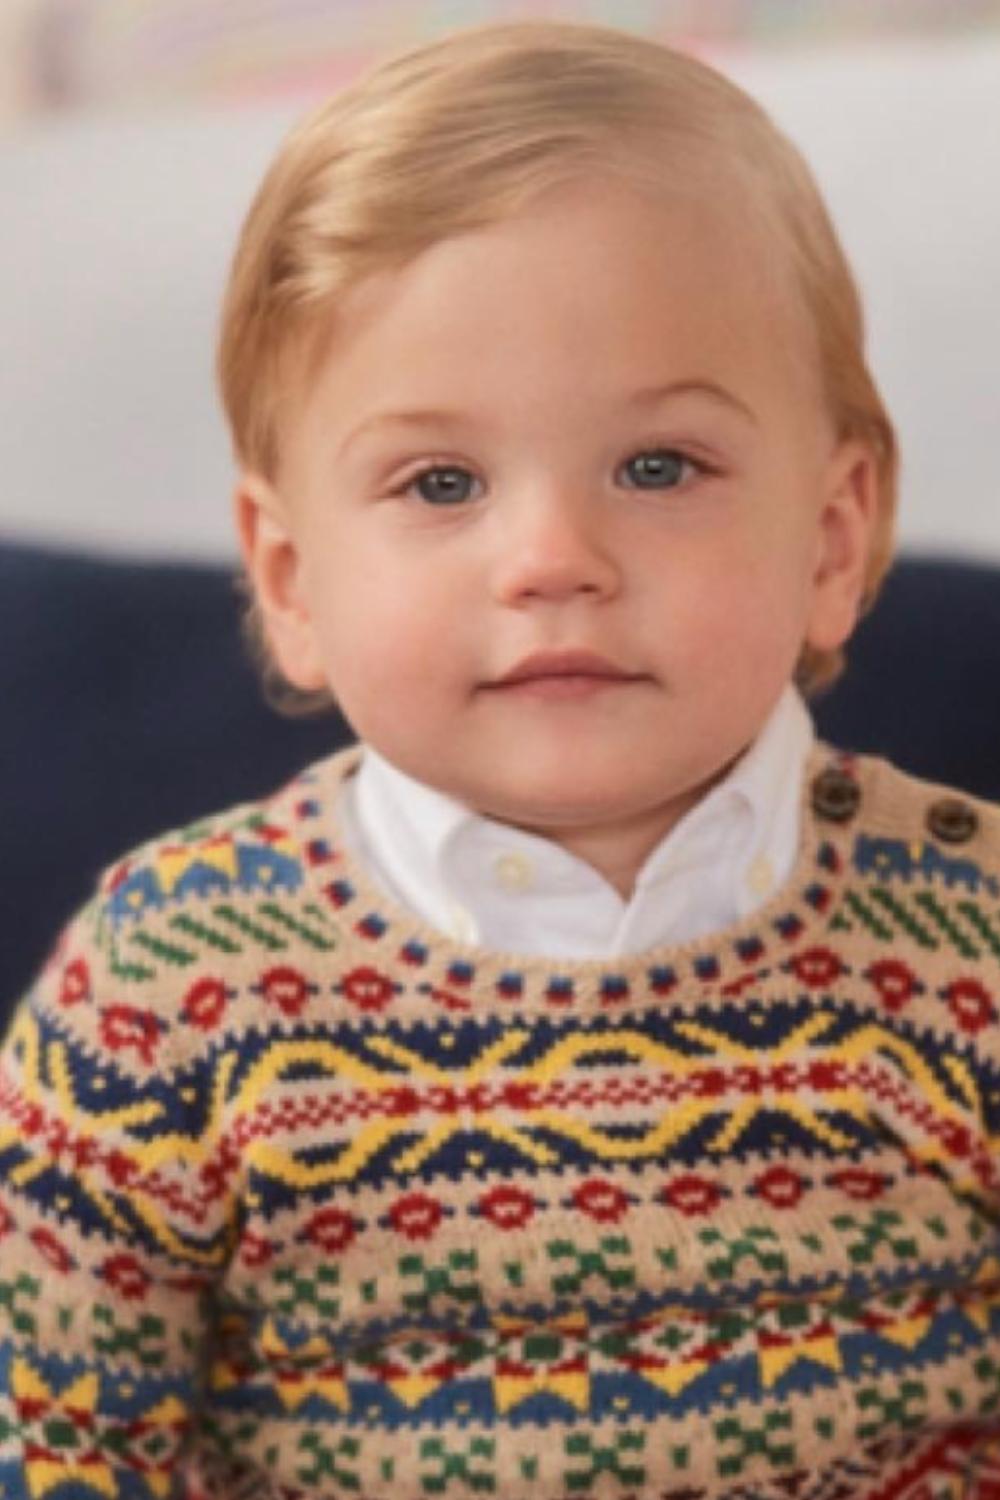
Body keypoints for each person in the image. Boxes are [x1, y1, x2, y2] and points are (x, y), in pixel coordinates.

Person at [2, 19, 999, 1499]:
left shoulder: (965, 932)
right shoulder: (163, 987)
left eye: (658, 467)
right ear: (290, 581)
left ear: (834, 540)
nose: (552, 559)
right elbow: (60, 1436)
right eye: (442, 482)